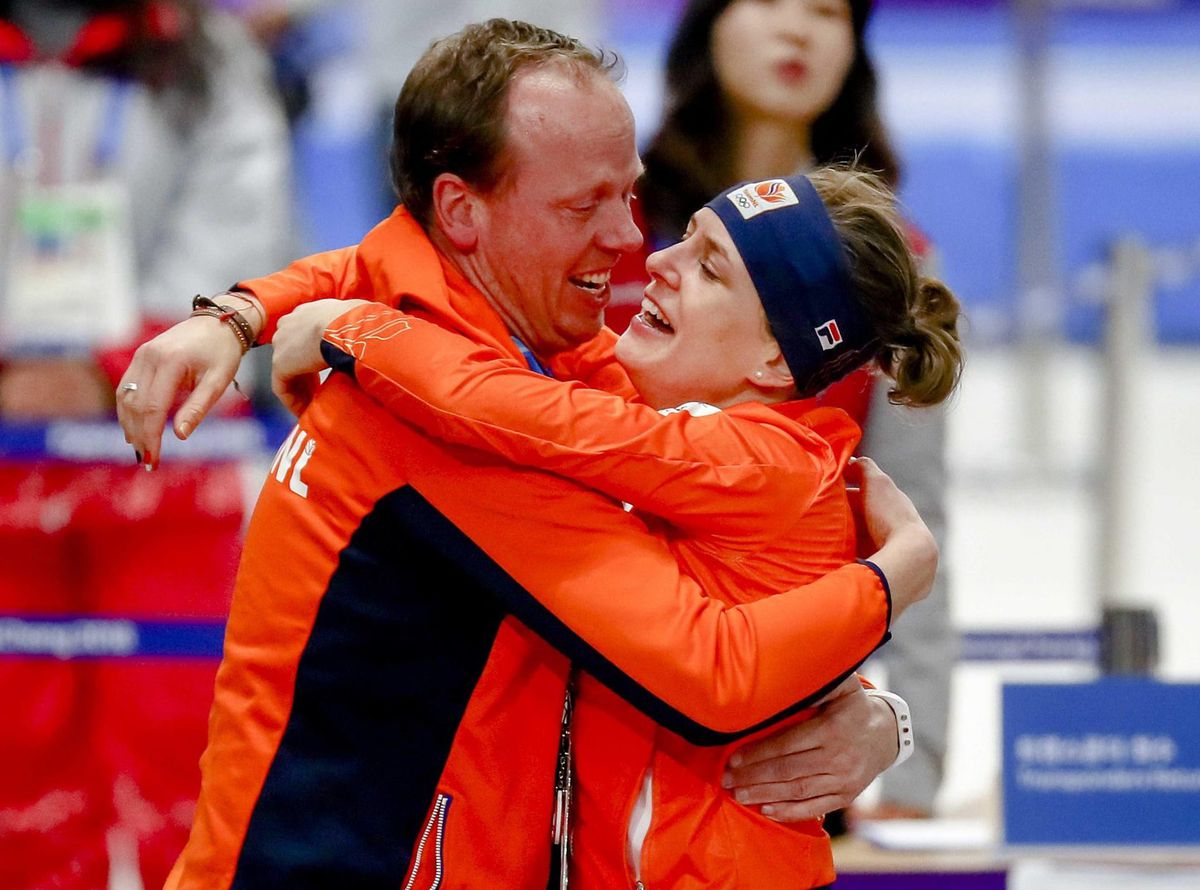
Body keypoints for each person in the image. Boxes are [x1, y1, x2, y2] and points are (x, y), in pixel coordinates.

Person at [117, 20, 934, 887]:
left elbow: (396, 275)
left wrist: (875, 712)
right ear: (463, 213)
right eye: (587, 205)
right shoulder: (437, 421)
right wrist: (892, 581)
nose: (633, 244)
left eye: (631, 195)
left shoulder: (555, 362)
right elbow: (709, 667)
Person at [266, 165, 963, 889]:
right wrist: (240, 315)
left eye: (709, 268)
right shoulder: (714, 442)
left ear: (775, 357)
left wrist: (348, 327)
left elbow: (516, 409)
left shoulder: (761, 460)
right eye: (686, 238)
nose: (658, 262)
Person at [605, 0, 956, 819]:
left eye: (828, 10)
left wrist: (903, 745)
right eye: (768, 1)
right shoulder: (605, 216)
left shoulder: (895, 271)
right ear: (707, 24)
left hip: (774, 764)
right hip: (577, 726)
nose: (797, 29)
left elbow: (912, 525)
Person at [0, 2, 290, 886]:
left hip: (166, 452)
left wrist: (111, 365)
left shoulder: (209, 56)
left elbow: (244, 230)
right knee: (14, 748)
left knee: (190, 740)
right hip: (7, 454)